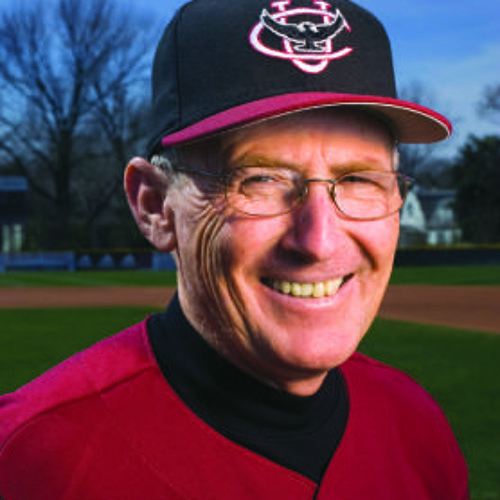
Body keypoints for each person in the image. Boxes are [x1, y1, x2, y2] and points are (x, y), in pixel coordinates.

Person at [0, 0, 469, 498]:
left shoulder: (417, 425)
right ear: (155, 206)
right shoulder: (33, 458)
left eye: (358, 179)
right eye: (259, 179)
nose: (319, 240)